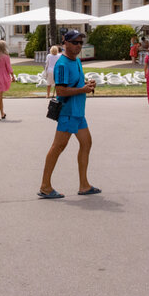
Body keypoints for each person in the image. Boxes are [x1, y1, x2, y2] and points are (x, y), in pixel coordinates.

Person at [38, 30, 99, 198]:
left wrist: (87, 85)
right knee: (58, 147)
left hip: (78, 113)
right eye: (75, 42)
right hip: (68, 112)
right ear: (65, 43)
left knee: (86, 144)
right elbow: (61, 91)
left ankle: (84, 185)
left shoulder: (77, 61)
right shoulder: (62, 64)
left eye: (80, 42)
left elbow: (76, 83)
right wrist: (83, 89)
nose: (79, 45)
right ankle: (45, 186)